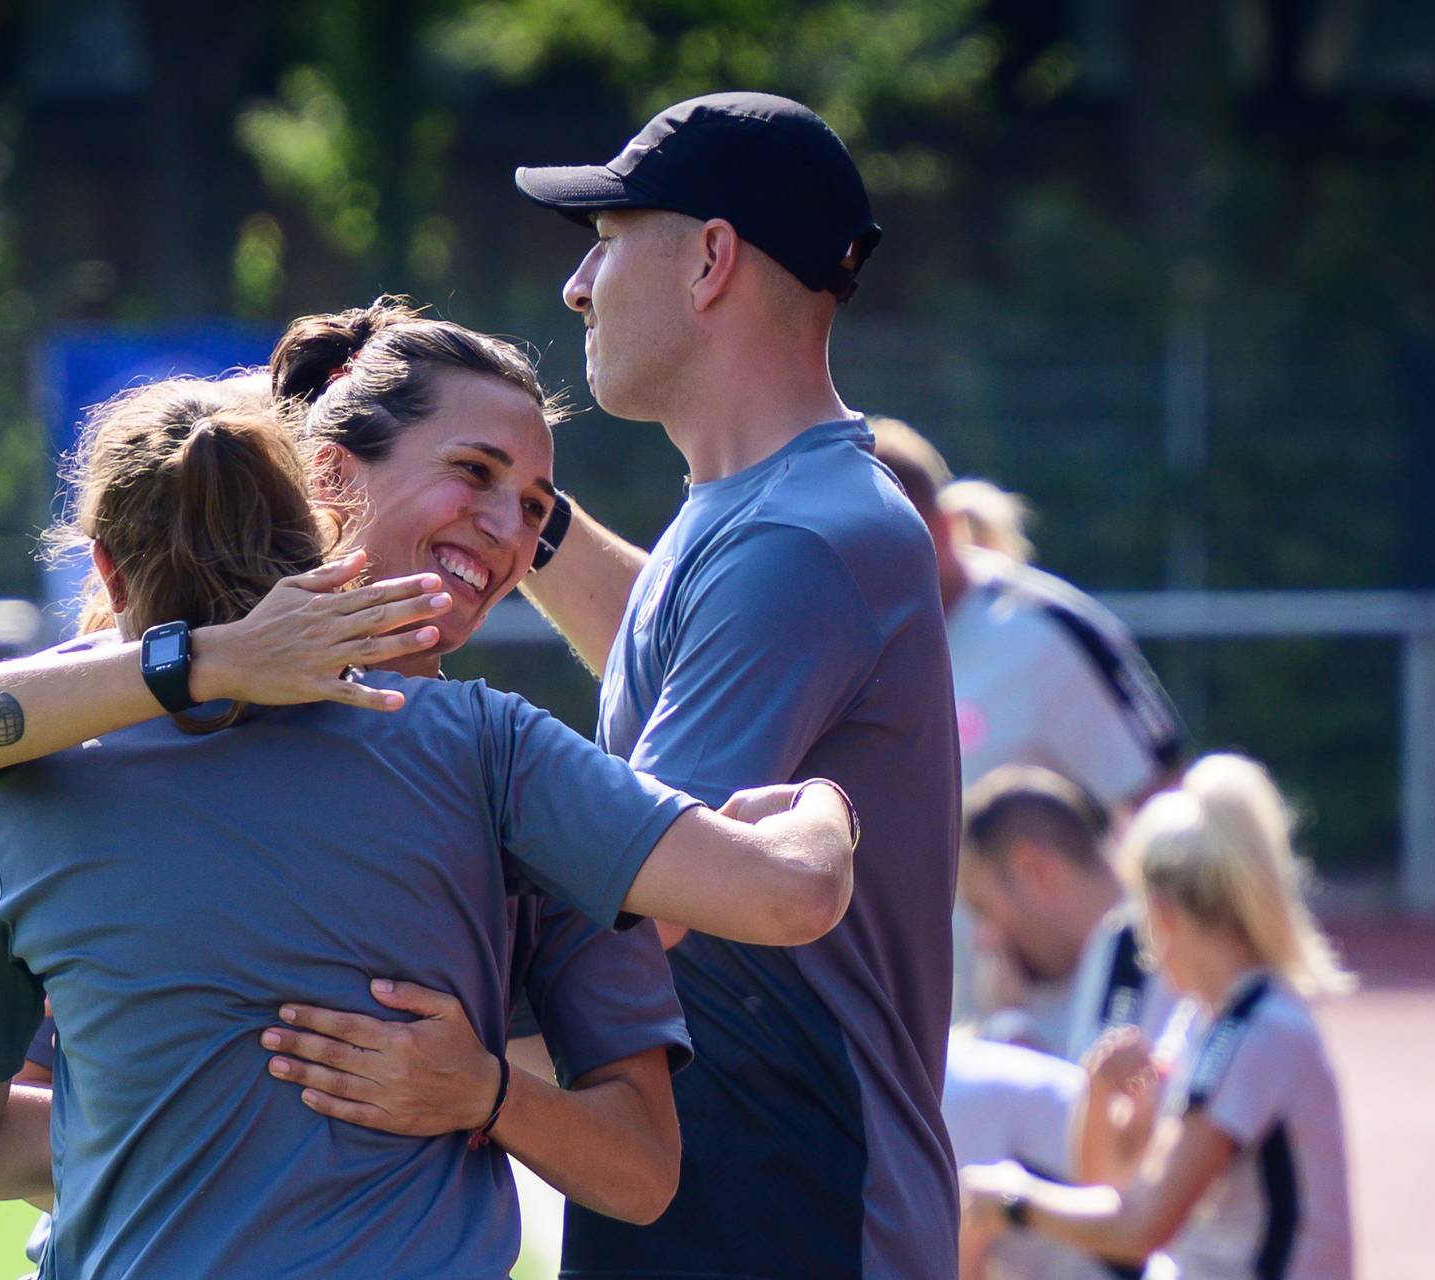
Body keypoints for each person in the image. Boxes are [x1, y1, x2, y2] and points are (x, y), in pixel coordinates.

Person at [0, 373, 867, 1277]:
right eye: (475, 476)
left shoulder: (29, 789)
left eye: (532, 507)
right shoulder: (496, 754)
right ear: (327, 499)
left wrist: (177, 1128)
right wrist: (832, 797)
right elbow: (787, 893)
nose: (503, 532)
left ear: (103, 563)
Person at [509, 92, 962, 1278]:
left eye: (604, 240)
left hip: (791, 1200)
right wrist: (515, 518)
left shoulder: (795, 542)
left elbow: (632, 884)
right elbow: (672, 661)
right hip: (745, 1179)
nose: (576, 287)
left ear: (711, 258)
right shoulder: (772, 513)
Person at [958, 755, 1356, 1280]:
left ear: (1164, 914)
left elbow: (1142, 1228)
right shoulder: (1203, 1022)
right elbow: (1108, 1186)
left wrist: (1012, 1201)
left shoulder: (1258, 1031)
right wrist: (1101, 1098)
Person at [868, 418, 1182, 1033]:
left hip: (1063, 1020)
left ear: (934, 531)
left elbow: (1168, 810)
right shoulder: (841, 644)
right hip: (917, 1021)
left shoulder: (1044, 634)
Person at [940, 766, 1184, 1280]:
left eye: (985, 907)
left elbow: (1102, 1150)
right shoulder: (1108, 952)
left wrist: (1008, 1025)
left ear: (1035, 870)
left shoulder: (1133, 945)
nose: (985, 938)